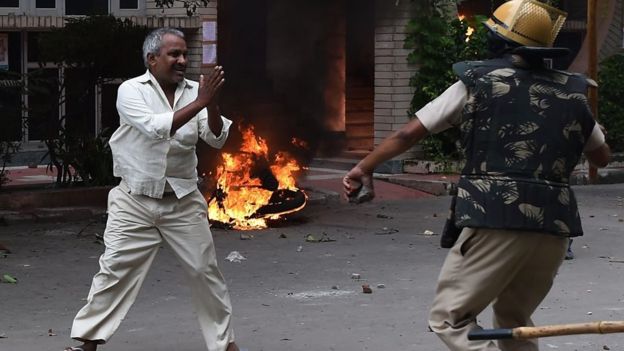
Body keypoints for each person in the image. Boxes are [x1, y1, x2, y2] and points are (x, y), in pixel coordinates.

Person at [343, 1, 611, 350]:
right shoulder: (572, 92)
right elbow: (601, 157)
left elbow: (408, 135)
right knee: (515, 320)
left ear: (499, 42)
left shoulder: (477, 82)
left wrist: (364, 167)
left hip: (495, 215)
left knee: (449, 319)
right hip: (555, 226)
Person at [64, 28, 242, 351]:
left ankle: (226, 345)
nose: (182, 61)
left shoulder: (193, 91)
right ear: (152, 58)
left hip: (183, 200)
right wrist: (202, 100)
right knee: (114, 272)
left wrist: (211, 104)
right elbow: (156, 128)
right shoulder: (131, 91)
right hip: (134, 200)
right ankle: (87, 344)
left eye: (185, 54)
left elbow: (216, 137)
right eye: (174, 54)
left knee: (206, 272)